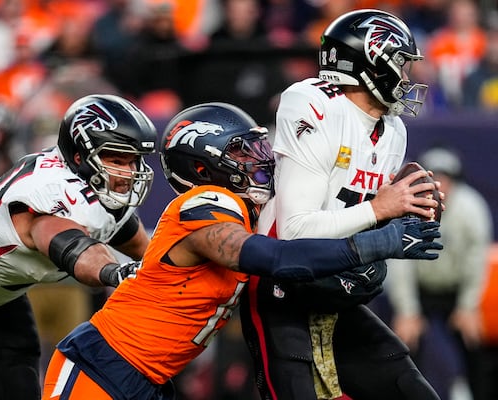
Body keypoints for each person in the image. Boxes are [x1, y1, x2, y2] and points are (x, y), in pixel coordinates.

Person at [41, 102, 442, 400]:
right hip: (101, 364)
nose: (259, 160)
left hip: (152, 377)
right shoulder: (203, 205)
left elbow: (308, 231)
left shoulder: (248, 212)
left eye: (257, 148)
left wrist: (379, 210)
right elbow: (278, 259)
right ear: (202, 167)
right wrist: (373, 242)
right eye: (240, 152)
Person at [239, 9, 443, 400]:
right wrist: (381, 210)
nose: (407, 77)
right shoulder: (314, 103)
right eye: (400, 64)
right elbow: (296, 230)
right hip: (284, 286)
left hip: (337, 284)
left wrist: (407, 212)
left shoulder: (393, 128)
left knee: (411, 390)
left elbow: (363, 217)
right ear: (370, 61)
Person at [0, 94, 157, 400]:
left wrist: (169, 271)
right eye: (117, 160)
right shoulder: (50, 188)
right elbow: (68, 243)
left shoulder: (100, 192)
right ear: (78, 157)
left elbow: (145, 249)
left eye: (132, 161)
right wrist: (117, 272)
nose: (128, 173)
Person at [387, 146, 494, 400]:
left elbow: (477, 261)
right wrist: (407, 311)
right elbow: (401, 262)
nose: (441, 184)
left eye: (447, 178)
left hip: (456, 289)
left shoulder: (472, 208)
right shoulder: (410, 206)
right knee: (403, 344)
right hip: (419, 288)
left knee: (475, 342)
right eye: (435, 179)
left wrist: (469, 306)